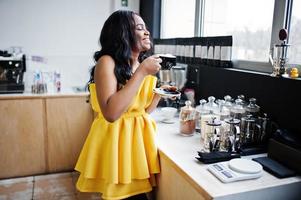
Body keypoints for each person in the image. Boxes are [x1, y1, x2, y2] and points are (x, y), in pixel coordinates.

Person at [75, 10, 168, 200]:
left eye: (146, 28)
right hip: (117, 145)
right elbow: (111, 113)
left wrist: (159, 95)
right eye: (140, 28)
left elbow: (141, 111)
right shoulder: (107, 62)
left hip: (136, 143)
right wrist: (142, 73)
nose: (147, 32)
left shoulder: (139, 65)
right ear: (123, 33)